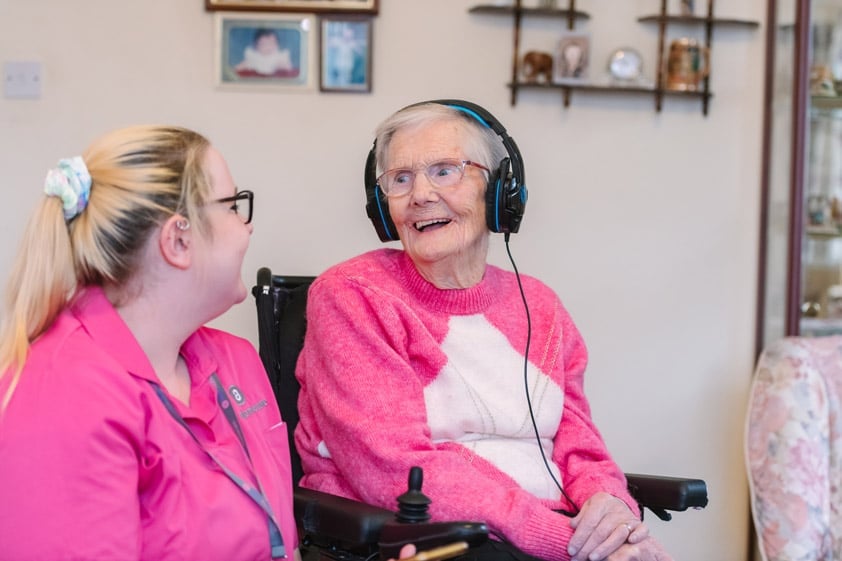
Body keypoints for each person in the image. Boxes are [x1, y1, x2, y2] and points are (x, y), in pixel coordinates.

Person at [294, 100, 673, 561]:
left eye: (444, 171)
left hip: (549, 535)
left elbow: (581, 447)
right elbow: (391, 465)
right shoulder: (352, 295)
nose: (420, 195)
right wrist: (568, 544)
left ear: (498, 190)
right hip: (427, 541)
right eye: (400, 179)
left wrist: (611, 513)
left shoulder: (540, 306)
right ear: (381, 204)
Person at [0, 125, 298, 560]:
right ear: (178, 239)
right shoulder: (62, 397)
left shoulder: (236, 360)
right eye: (233, 206)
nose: (246, 228)